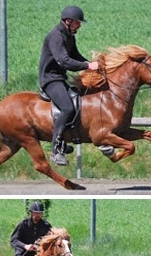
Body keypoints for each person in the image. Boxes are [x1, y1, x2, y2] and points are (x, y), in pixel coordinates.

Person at [39, 5, 99, 166]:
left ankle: (65, 139)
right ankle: (56, 149)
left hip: (59, 78)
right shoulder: (56, 36)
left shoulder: (69, 36)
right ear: (68, 21)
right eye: (77, 22)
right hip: (50, 79)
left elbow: (75, 56)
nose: (79, 25)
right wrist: (87, 67)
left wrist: (89, 63)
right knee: (68, 108)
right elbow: (63, 60)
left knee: (77, 103)